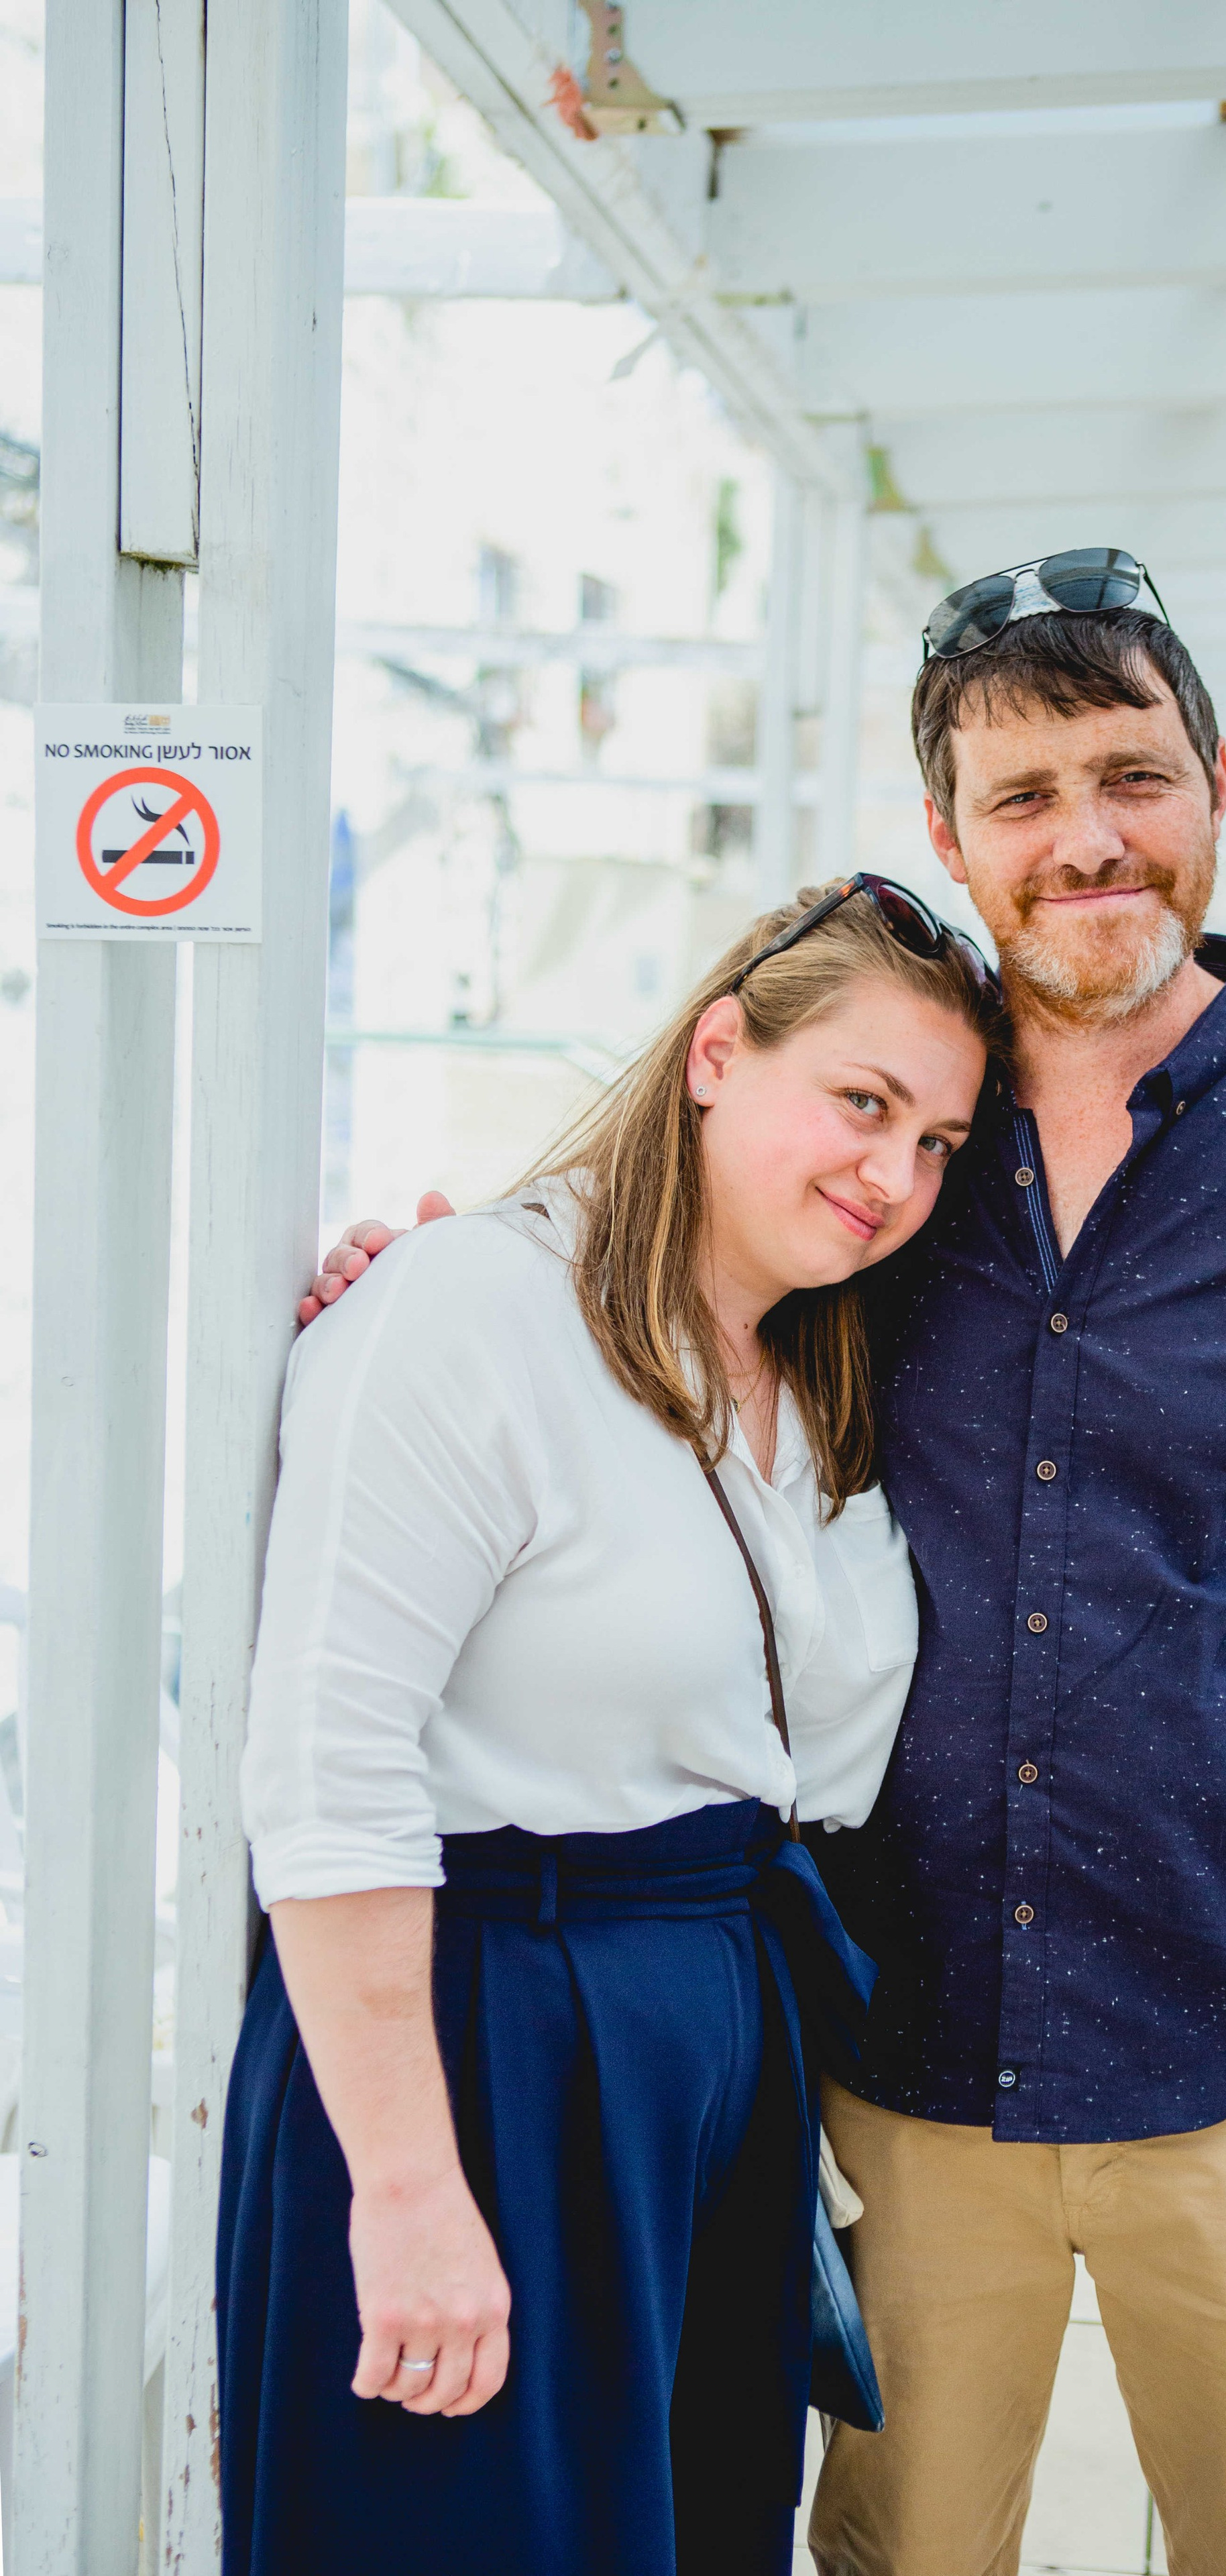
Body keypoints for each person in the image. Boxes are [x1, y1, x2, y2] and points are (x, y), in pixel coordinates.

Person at [307, 547, 1226, 2576]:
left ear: (1213, 782)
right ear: (947, 832)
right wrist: (409, 1272)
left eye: (1129, 774)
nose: (1084, 838)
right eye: (1021, 798)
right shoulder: (885, 1147)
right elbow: (629, 1289)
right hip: (898, 2070)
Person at [219, 884, 1002, 2576]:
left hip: (713, 2022)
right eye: (861, 1103)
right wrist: (412, 2189)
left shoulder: (818, 1361)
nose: (895, 1177)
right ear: (717, 1049)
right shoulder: (467, 1310)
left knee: (689, 2534)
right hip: (487, 2026)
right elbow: (326, 1768)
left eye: (938, 1140)